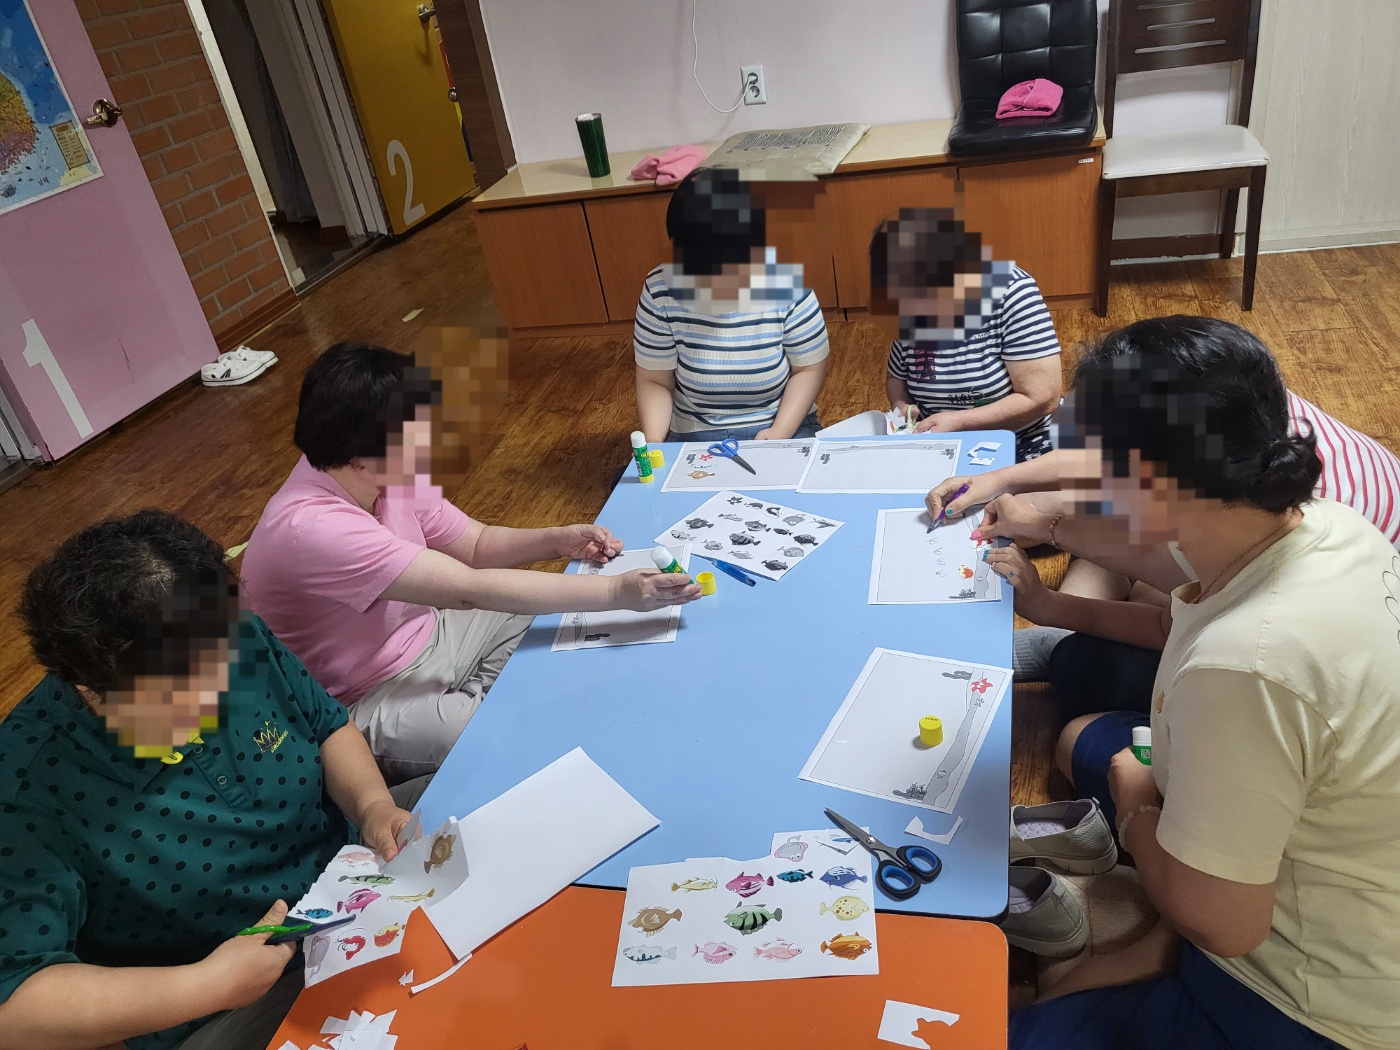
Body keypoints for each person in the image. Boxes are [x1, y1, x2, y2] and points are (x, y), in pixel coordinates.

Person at [981, 317, 1400, 1050]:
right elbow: (1170, 598)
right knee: (1086, 742)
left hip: (1314, 1002)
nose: (1077, 486)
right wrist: (1047, 593)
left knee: (1018, 1035)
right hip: (1342, 840)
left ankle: (1150, 943)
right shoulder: (1326, 524)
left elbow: (1227, 928)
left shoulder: (1244, 664)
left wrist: (1139, 807)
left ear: (1144, 482)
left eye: (1091, 467)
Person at [0, 511, 426, 1050]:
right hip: (223, 991)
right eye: (181, 694)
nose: (217, 700)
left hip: (348, 876)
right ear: (91, 690)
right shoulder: (26, 789)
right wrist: (204, 986)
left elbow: (326, 725)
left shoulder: (229, 636)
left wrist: (371, 806)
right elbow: (14, 1003)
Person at [241, 344, 699, 781]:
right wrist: (617, 590)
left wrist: (556, 541)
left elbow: (476, 544)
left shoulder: (375, 468)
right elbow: (467, 589)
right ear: (362, 455)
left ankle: (473, 705)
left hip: (430, 630)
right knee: (497, 738)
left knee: (556, 635)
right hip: (364, 695)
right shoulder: (312, 528)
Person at [927, 318, 1400, 716]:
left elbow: (1171, 624)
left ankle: (1061, 641)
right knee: (1070, 519)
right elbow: (1106, 463)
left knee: (1087, 673)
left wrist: (1050, 600)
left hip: (1295, 647)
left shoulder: (1247, 623)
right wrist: (999, 481)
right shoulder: (1232, 405)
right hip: (1288, 572)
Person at [634, 167, 830, 443]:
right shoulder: (660, 290)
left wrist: (779, 432)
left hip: (782, 422)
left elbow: (809, 369)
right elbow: (655, 380)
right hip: (697, 430)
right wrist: (654, 446)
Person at [870, 208, 1062, 461]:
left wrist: (961, 422)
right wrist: (901, 406)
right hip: (940, 441)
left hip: (1024, 438)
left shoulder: (1012, 292)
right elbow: (897, 376)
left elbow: (1042, 398)